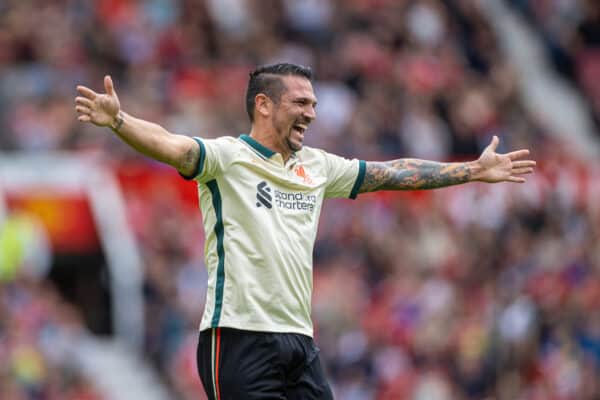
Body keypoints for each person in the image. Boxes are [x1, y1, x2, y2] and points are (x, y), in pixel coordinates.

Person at [74, 63, 535, 399]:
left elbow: (392, 172)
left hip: (299, 340)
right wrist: (118, 120)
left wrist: (470, 170)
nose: (312, 113)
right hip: (237, 336)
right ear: (263, 104)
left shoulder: (316, 166)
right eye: (301, 103)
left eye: (313, 103)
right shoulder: (228, 157)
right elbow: (171, 145)